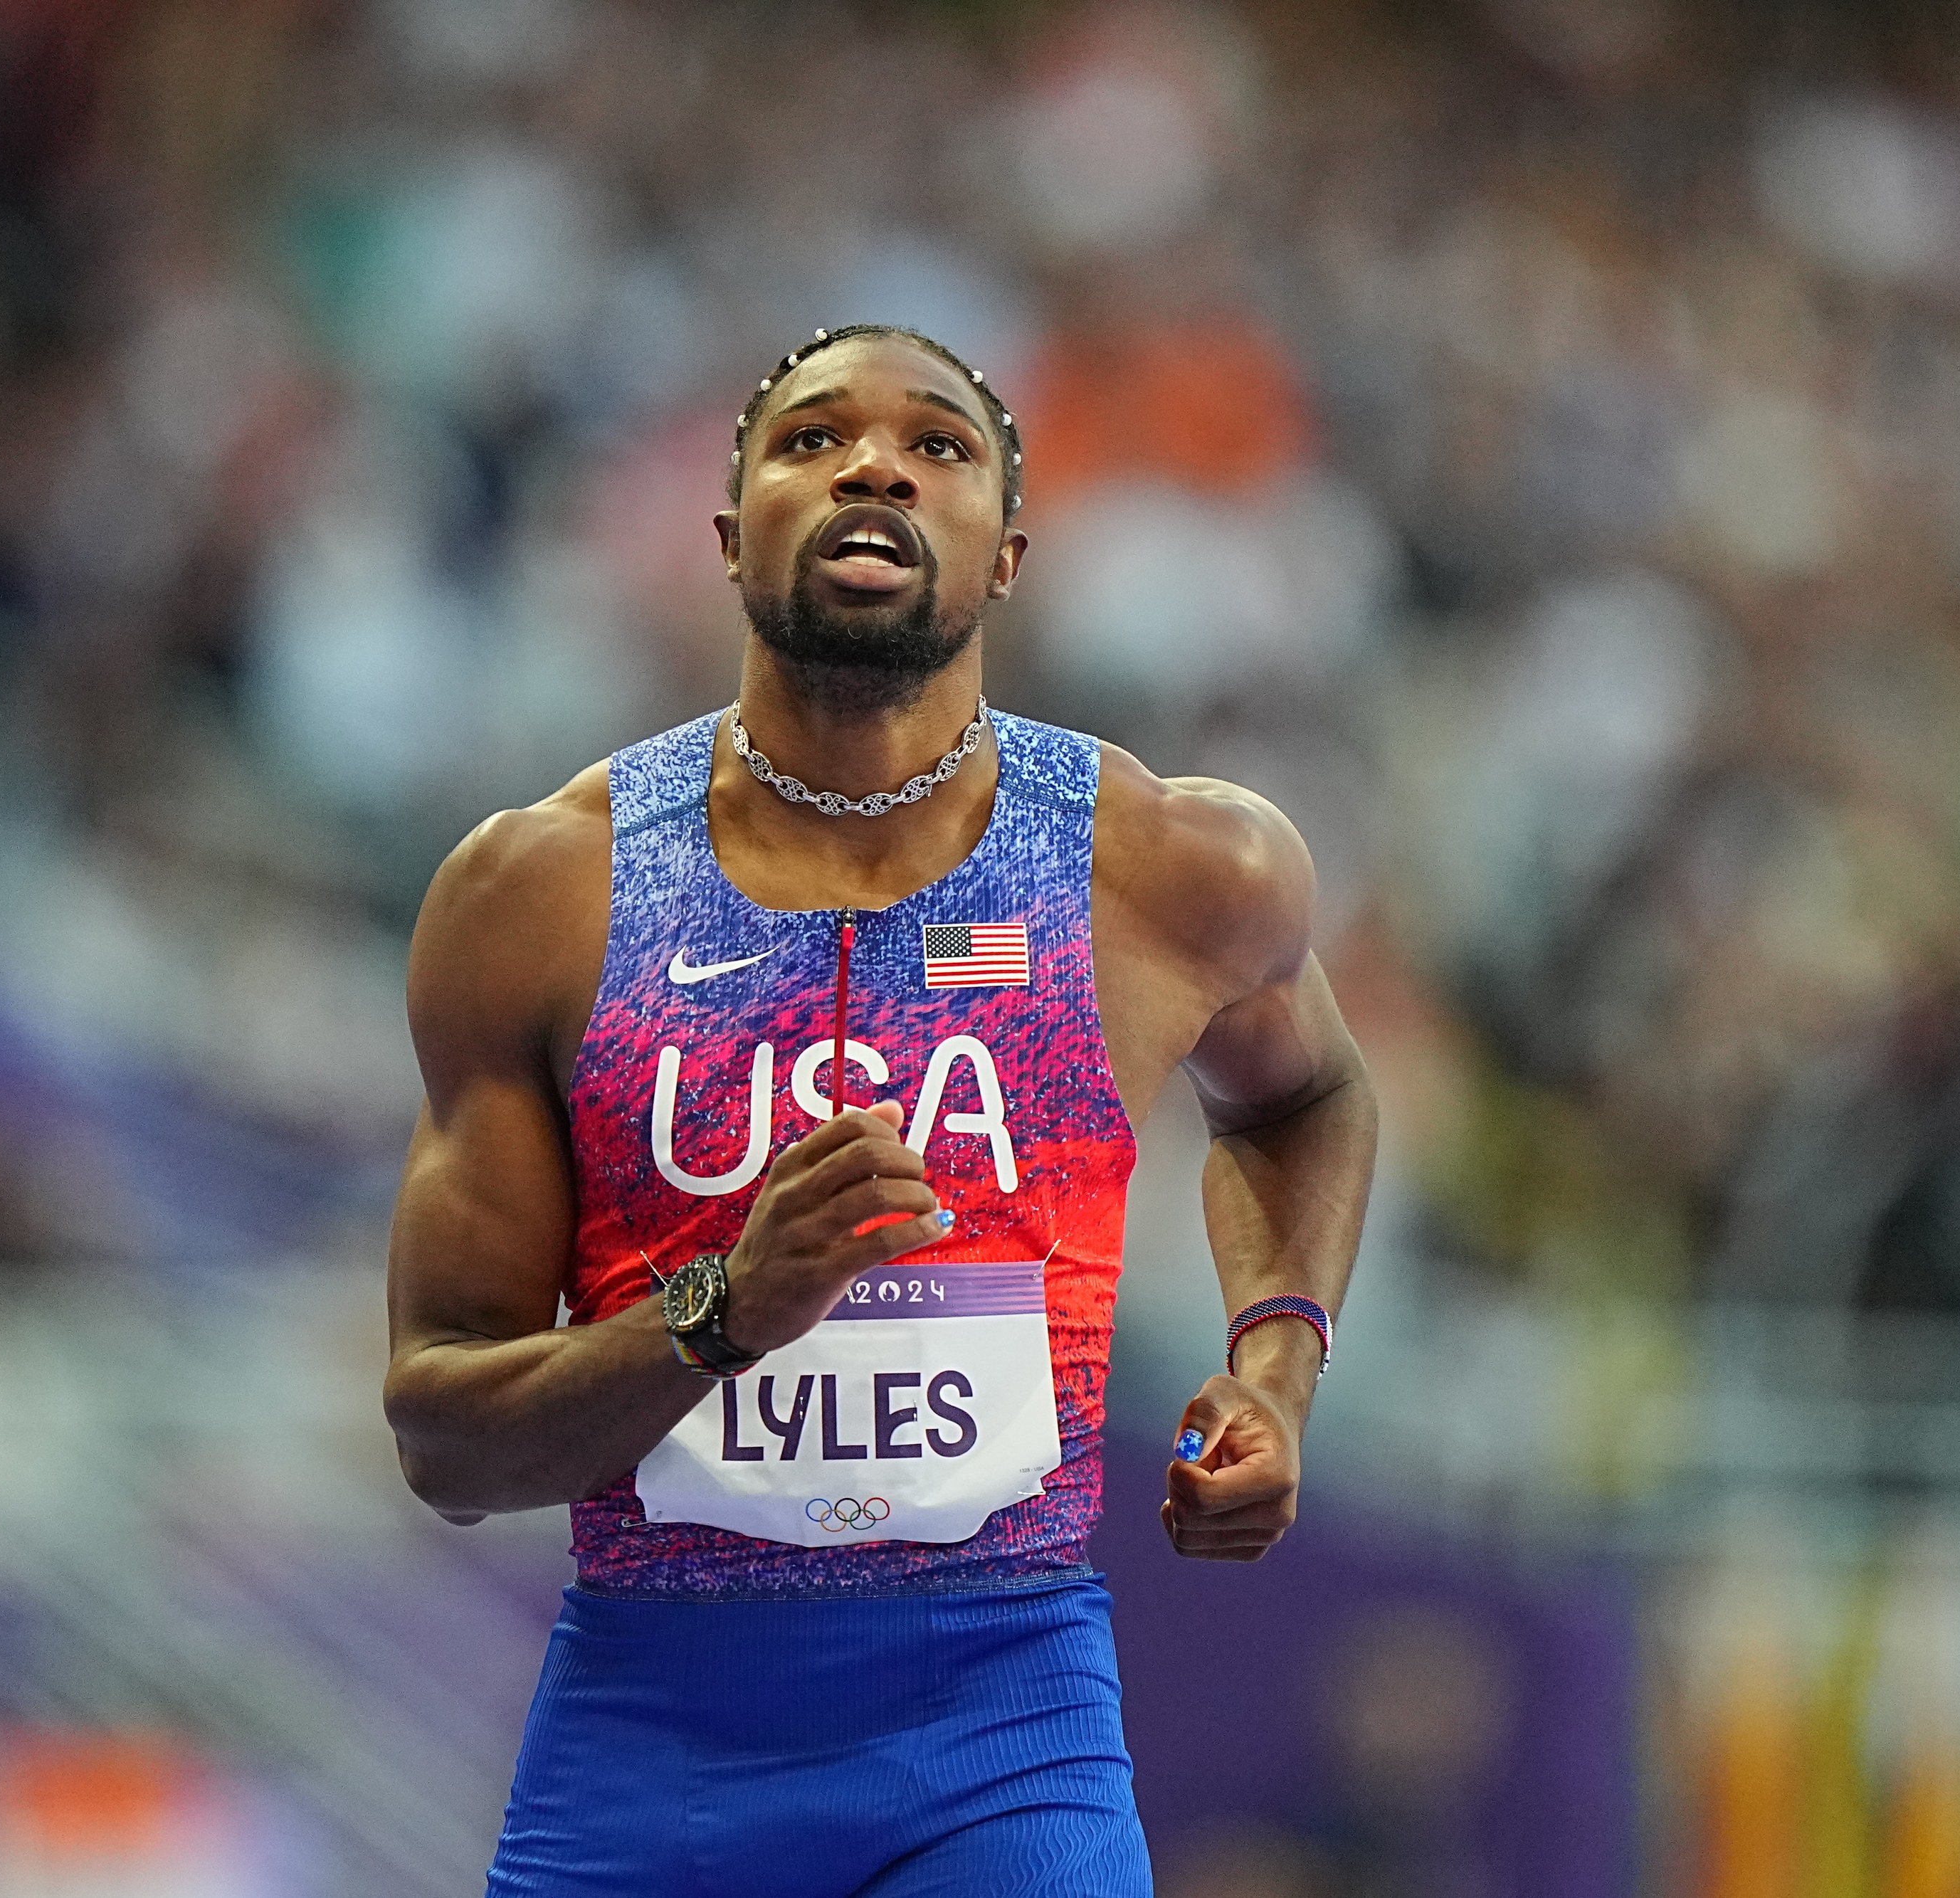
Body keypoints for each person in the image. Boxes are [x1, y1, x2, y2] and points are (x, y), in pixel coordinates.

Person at [384, 322, 1376, 1896]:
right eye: (809, 439)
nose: (870, 466)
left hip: (1003, 1718)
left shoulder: (1169, 867)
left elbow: (1305, 1094)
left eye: (936, 446)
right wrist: (716, 1314)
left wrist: (1277, 1365)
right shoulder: (540, 895)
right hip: (657, 1738)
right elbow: (444, 1436)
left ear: (1005, 554)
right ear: (726, 539)